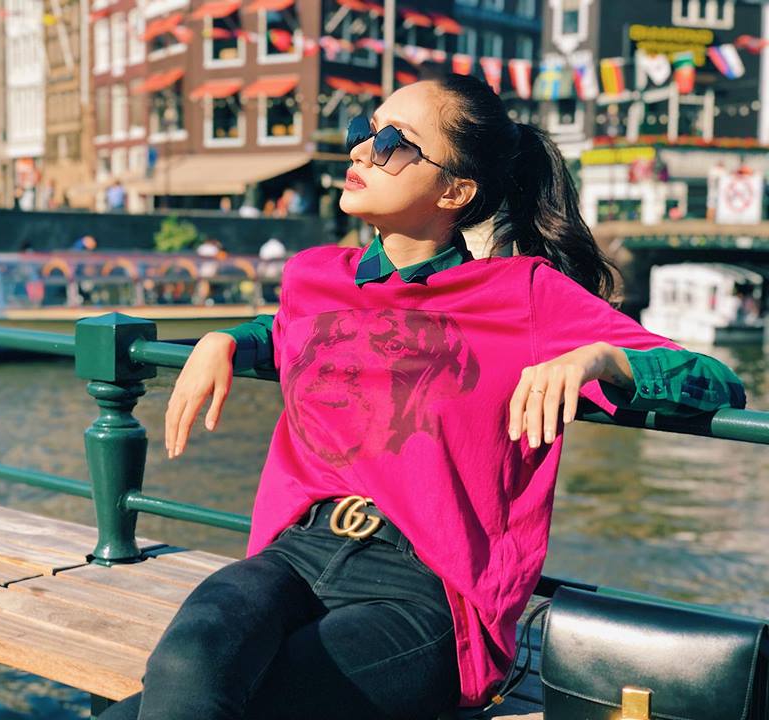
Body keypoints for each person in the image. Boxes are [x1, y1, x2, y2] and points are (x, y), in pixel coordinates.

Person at [99, 72, 747, 720]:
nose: (361, 150)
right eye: (364, 131)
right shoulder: (312, 276)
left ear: (454, 190)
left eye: (391, 143)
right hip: (295, 552)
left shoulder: (524, 296)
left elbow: (715, 379)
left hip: (425, 592)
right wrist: (228, 339)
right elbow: (290, 329)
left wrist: (602, 358)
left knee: (223, 705)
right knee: (187, 662)